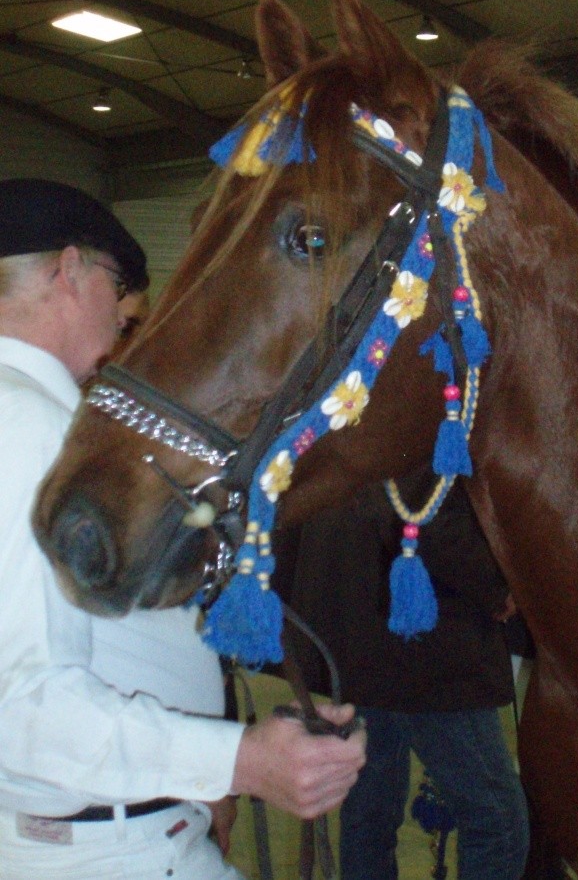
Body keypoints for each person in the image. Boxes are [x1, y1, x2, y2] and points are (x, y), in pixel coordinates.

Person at [0, 178, 366, 880]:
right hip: (105, 851)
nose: (124, 311)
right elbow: (21, 707)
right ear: (68, 272)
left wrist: (208, 774)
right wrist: (242, 760)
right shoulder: (32, 428)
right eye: (116, 285)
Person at [273, 472, 530, 880]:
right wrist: (498, 584)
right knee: (496, 819)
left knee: (369, 817)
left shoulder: (347, 409)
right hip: (426, 652)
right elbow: (423, 514)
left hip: (360, 633)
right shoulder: (416, 414)